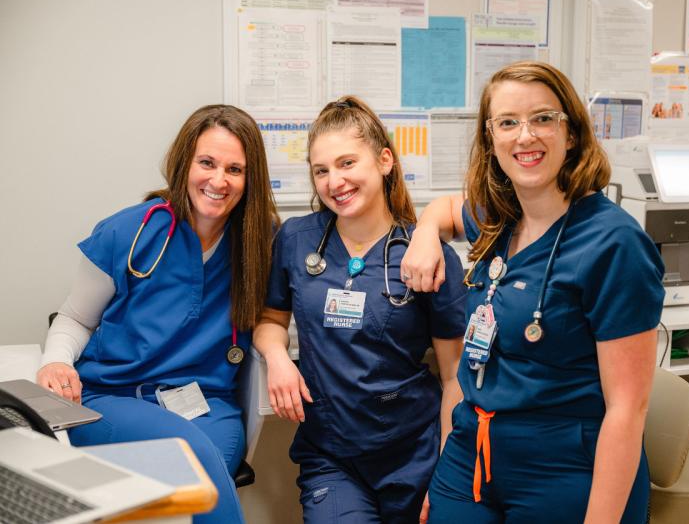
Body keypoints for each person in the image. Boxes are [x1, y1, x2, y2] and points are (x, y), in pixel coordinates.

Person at [400, 61, 665, 522]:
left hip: (565, 468)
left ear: (572, 132)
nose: (525, 136)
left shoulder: (613, 243)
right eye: (508, 122)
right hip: (471, 455)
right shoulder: (498, 215)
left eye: (543, 118)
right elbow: (444, 209)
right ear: (491, 140)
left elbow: (628, 409)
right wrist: (425, 232)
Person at [37, 105, 279, 523]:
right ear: (184, 162)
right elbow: (75, 317)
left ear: (250, 178)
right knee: (195, 460)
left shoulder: (260, 241)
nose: (218, 180)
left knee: (199, 477)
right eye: (207, 163)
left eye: (235, 169)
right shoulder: (128, 232)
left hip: (208, 405)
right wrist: (56, 361)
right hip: (112, 398)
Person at [254, 96, 466, 524]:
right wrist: (277, 358)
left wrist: (447, 472)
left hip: (415, 455)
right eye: (322, 170)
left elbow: (454, 377)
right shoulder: (296, 240)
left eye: (347, 163)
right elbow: (270, 320)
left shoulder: (427, 255)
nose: (335, 181)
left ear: (385, 160)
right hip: (332, 455)